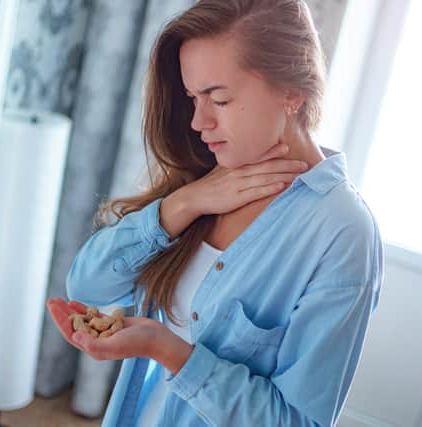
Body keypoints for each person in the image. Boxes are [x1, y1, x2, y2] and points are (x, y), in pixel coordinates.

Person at [47, 0, 384, 426]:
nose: (197, 121)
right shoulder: (206, 178)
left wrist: (168, 350)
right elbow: (88, 284)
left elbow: (300, 422)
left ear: (292, 92)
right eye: (192, 98)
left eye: (218, 99)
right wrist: (185, 203)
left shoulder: (342, 232)